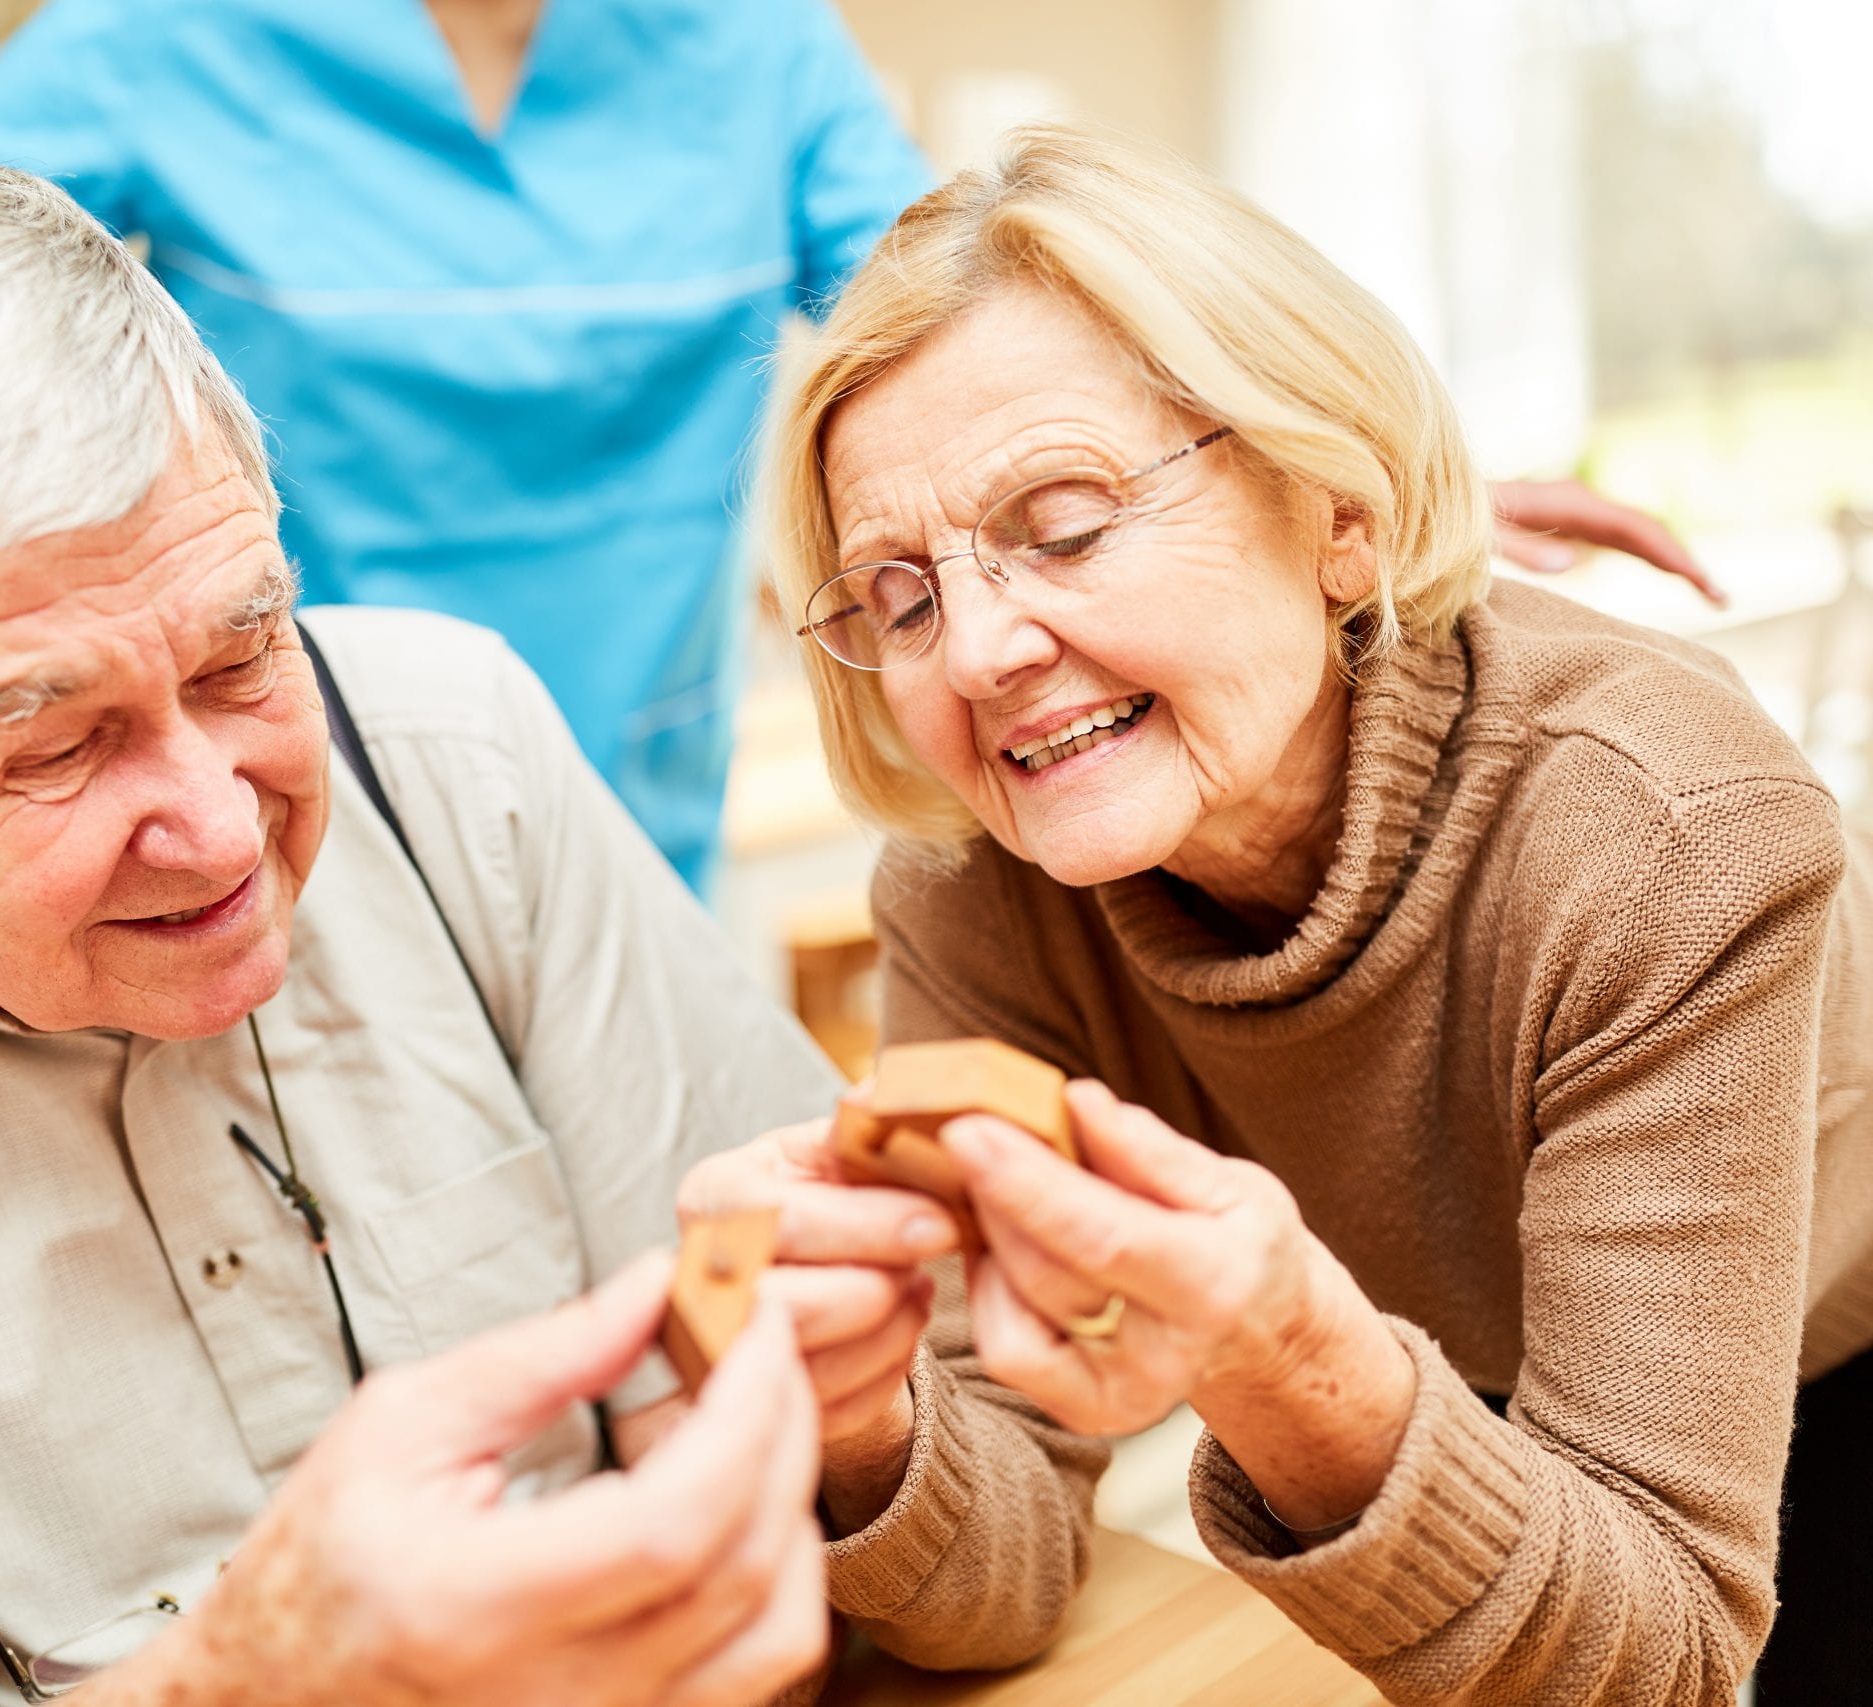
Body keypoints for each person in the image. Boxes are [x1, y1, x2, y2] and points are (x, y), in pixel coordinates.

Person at [0, 162, 1050, 1704]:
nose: (223, 828)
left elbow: (997, 1532)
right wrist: (258, 1673)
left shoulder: (450, 755)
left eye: (239, 657)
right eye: (49, 739)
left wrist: (860, 1432)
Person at [730, 124, 1871, 1703]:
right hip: (1439, 1349)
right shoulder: (975, 889)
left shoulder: (1667, 836)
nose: (980, 649)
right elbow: (1000, 1571)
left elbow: (1662, 1657)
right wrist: (867, 1420)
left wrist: (1280, 1364)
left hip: (1828, 1330)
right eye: (904, 596)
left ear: (1338, 506)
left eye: (1062, 523)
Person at [0, 0, 934, 891]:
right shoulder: (164, 33)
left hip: (640, 781)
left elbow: (944, 319)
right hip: (284, 789)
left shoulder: (755, 40)